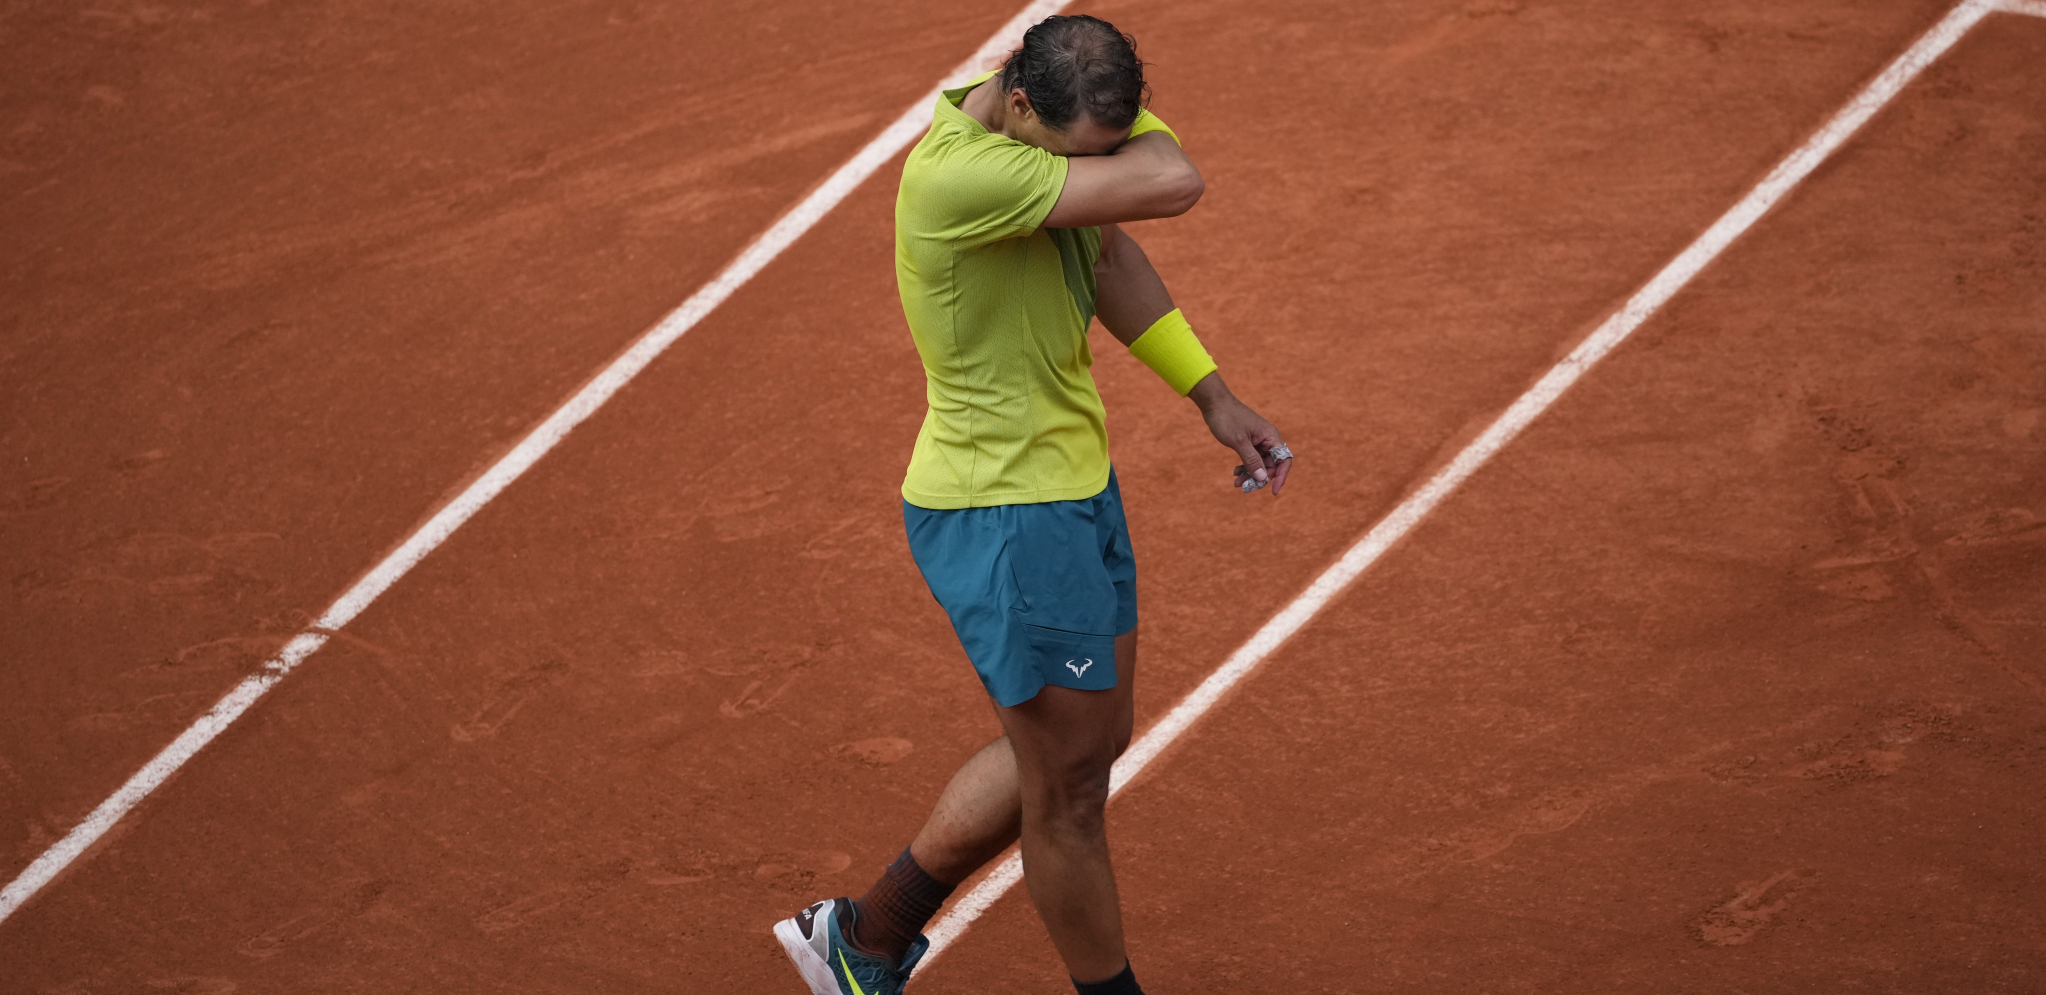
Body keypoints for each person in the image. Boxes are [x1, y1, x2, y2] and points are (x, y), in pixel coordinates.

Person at [775, 14, 1292, 995]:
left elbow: (1107, 251)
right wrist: (1134, 150)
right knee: (1068, 794)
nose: (1096, 177)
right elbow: (1174, 178)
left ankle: (864, 934)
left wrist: (1211, 392)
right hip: (1001, 513)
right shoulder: (960, 175)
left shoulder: (1027, 105)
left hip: (1070, 486)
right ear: (1019, 103)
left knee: (1088, 746)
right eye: (1082, 157)